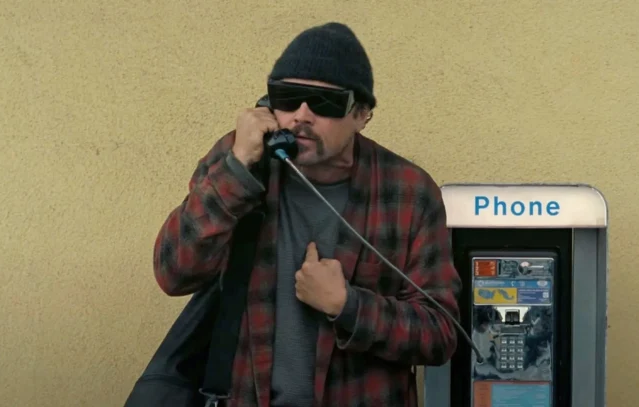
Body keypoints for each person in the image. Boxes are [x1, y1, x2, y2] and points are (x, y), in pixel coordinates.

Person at [152, 21, 462, 407]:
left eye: (324, 103)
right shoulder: (241, 163)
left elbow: (440, 333)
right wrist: (237, 169)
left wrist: (348, 306)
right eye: (287, 98)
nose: (301, 115)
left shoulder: (408, 192)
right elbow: (173, 273)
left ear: (361, 114)